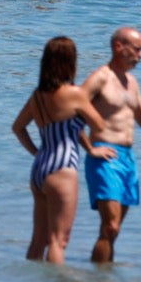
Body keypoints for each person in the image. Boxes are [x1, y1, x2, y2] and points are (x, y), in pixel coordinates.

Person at [12, 36, 115, 265]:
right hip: (63, 169)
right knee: (59, 241)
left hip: (40, 167)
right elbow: (99, 125)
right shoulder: (74, 94)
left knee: (38, 241)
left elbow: (18, 128)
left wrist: (37, 153)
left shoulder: (37, 96)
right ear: (71, 62)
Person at [80, 27, 141, 263]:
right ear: (118, 47)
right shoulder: (101, 77)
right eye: (137, 49)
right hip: (105, 157)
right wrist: (91, 148)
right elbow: (73, 110)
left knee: (114, 231)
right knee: (110, 226)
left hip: (127, 158)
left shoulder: (131, 82)